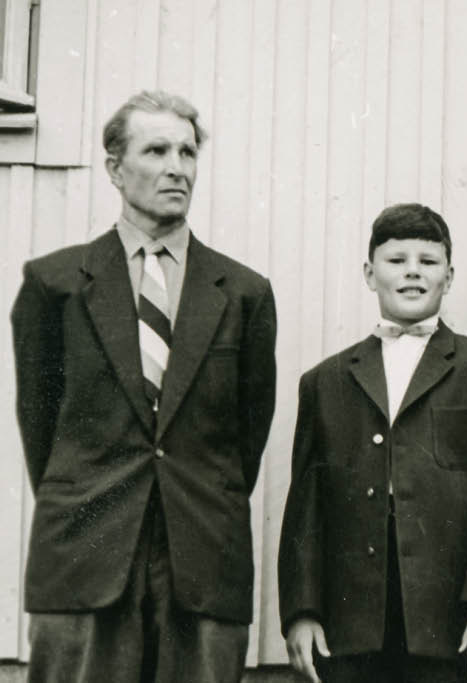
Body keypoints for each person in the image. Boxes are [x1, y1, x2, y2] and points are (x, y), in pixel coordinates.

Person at [10, 90, 277, 682]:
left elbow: (247, 433)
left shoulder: (243, 293)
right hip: (84, 551)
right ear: (115, 168)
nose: (177, 167)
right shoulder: (54, 284)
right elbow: (41, 428)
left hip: (204, 555)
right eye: (156, 150)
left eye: (187, 152)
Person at [278, 203, 467, 683]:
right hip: (351, 623)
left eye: (428, 261)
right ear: (369, 273)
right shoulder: (325, 381)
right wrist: (302, 612)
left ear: (450, 275)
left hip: (451, 619)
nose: (413, 272)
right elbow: (306, 509)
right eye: (397, 260)